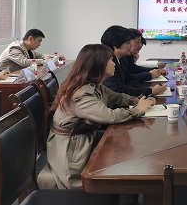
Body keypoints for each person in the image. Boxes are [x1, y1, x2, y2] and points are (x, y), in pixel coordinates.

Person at [39, 44, 154, 189]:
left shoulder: (95, 86)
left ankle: (128, 192)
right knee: (124, 156)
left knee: (126, 148)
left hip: (84, 137)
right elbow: (110, 116)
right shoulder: (82, 94)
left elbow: (117, 98)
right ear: (98, 64)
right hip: (73, 149)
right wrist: (138, 110)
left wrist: (139, 101)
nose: (114, 64)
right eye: (110, 60)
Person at [101, 26, 167, 97]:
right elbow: (118, 90)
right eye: (128, 43)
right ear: (115, 45)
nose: (131, 46)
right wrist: (151, 91)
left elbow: (130, 78)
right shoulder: (106, 63)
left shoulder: (119, 59)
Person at [0, 28, 64, 72]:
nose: (39, 44)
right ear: (30, 39)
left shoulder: (27, 48)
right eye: (39, 41)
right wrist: (45, 61)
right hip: (1, 81)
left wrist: (55, 57)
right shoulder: (14, 48)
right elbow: (24, 62)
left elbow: (40, 55)